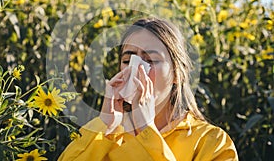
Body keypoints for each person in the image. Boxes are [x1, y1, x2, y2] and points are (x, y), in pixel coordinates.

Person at [58, 17, 238, 160]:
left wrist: (147, 130)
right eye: (128, 61)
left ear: (177, 74)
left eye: (150, 61)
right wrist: (104, 122)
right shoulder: (105, 135)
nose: (136, 70)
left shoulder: (211, 142)